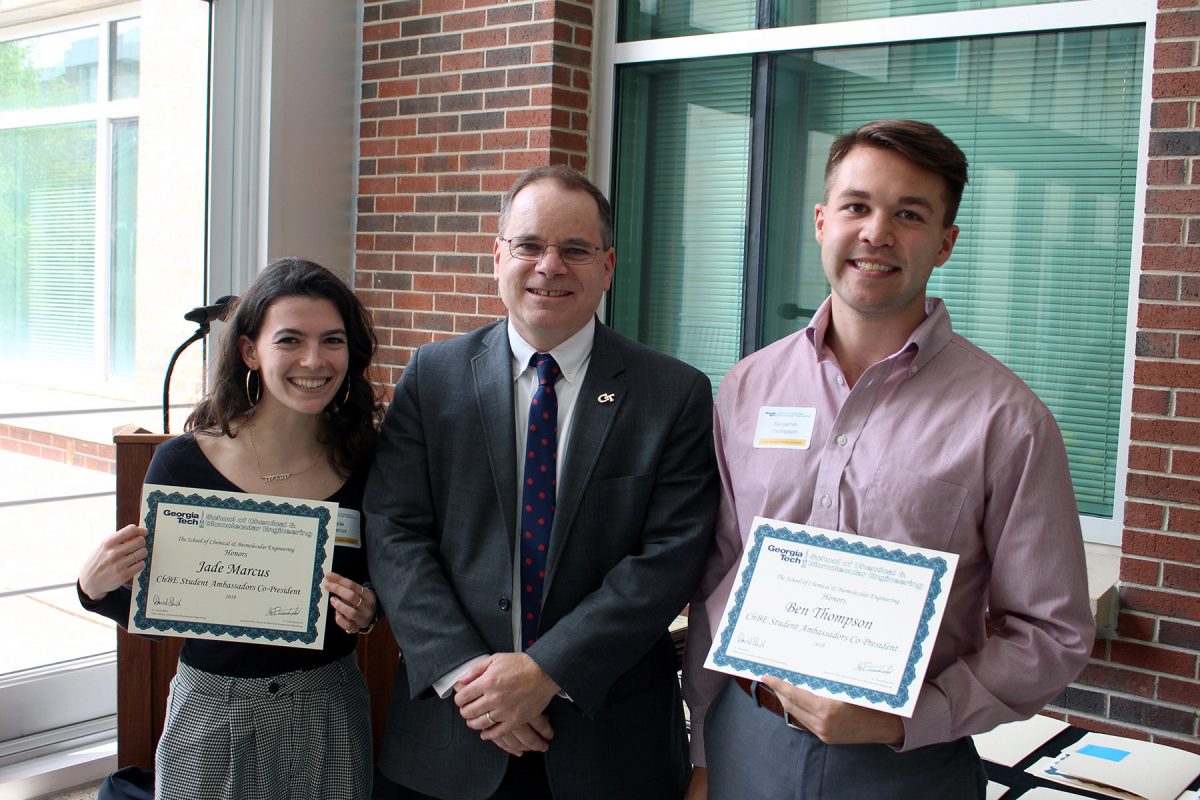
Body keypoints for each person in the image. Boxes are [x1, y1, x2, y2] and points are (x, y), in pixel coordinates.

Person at [681, 120, 1096, 799]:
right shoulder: (747, 387)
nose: (877, 233)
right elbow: (718, 577)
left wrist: (911, 717)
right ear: (821, 221)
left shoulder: (1007, 420)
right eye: (857, 206)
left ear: (946, 243)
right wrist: (703, 748)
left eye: (909, 214)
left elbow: (1052, 632)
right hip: (743, 746)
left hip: (907, 767)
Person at [364, 165, 719, 800]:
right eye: (529, 245)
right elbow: (395, 533)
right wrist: (472, 679)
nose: (549, 265)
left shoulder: (674, 393)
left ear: (607, 266)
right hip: (449, 738)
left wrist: (547, 670)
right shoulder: (432, 376)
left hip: (610, 746)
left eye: (575, 249)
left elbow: (671, 556)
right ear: (498, 255)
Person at [78, 257, 383, 800]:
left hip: (328, 710)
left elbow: (387, 577)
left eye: (332, 340)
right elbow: (164, 609)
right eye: (289, 339)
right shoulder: (183, 465)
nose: (314, 360)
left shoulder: (368, 464)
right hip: (209, 714)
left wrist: (368, 609)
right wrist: (94, 588)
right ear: (249, 350)